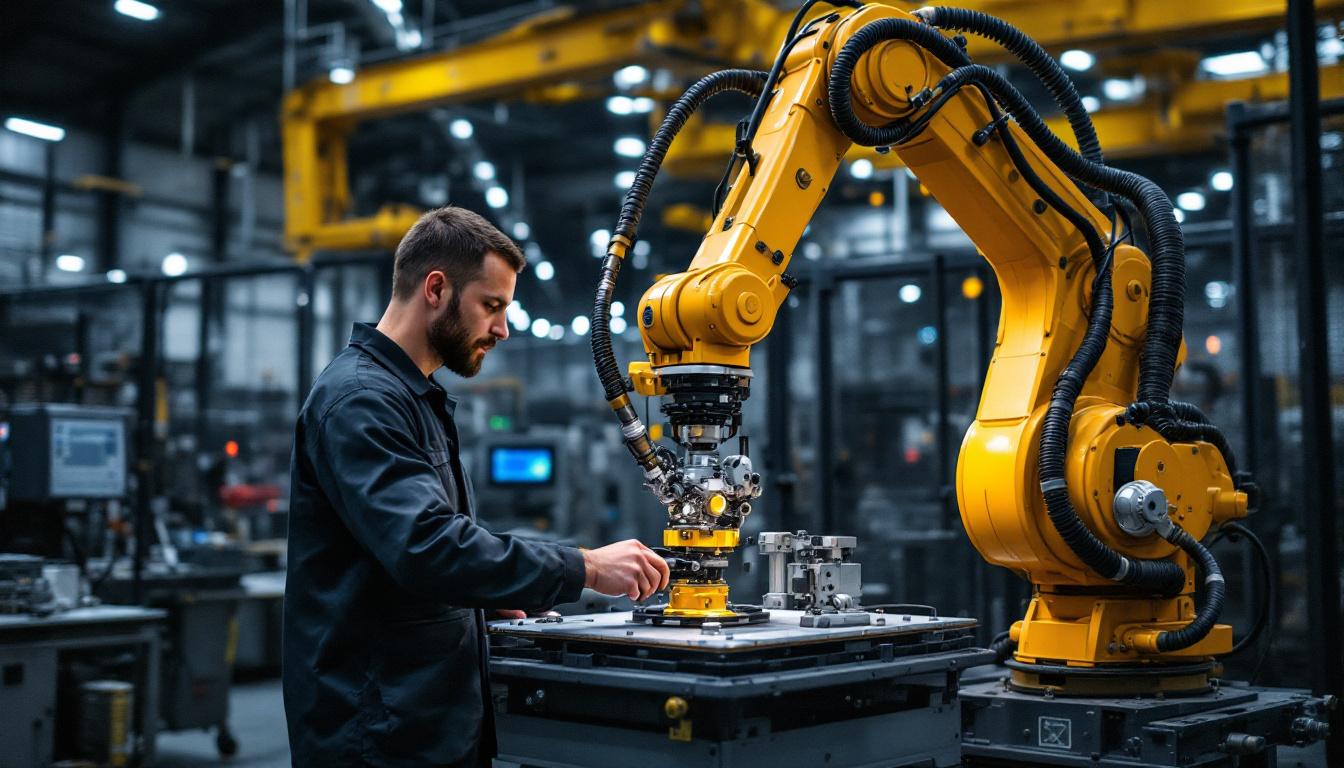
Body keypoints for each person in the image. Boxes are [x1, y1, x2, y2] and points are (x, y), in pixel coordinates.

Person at [283, 206, 670, 767]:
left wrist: (485, 601)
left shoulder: (411, 395)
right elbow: (428, 547)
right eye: (492, 306)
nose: (503, 328)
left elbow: (405, 557)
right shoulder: (361, 401)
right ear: (436, 288)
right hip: (376, 735)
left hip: (420, 722)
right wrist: (584, 567)